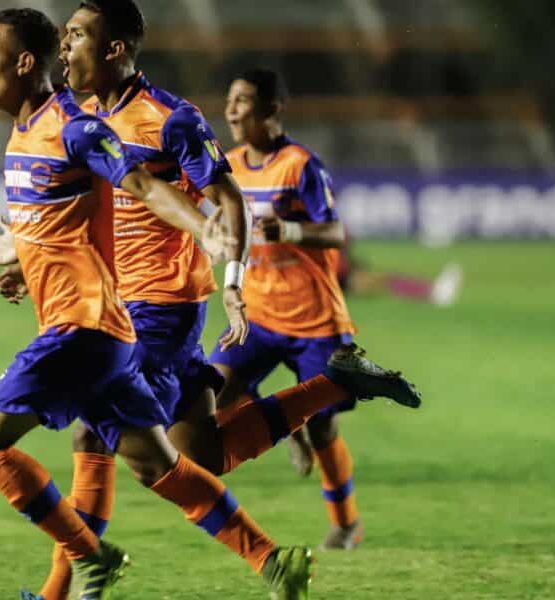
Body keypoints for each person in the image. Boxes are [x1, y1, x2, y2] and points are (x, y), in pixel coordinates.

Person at [0, 6, 422, 599]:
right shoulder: (76, 122)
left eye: (77, 36)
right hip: (116, 300)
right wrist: (31, 260)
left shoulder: (163, 118)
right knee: (198, 452)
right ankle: (331, 395)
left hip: (159, 303)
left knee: (93, 439)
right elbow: (80, 216)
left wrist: (229, 270)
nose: (67, 48)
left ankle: (70, 587)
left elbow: (211, 198)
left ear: (112, 49)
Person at [211, 66, 378, 549]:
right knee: (213, 394)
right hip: (259, 316)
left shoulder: (301, 165)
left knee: (325, 422)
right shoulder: (229, 165)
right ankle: (288, 430)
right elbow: (221, 221)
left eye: (242, 100)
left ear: (272, 108)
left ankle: (346, 523)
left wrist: (290, 231)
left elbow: (335, 232)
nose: (231, 109)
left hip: (314, 321)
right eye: (229, 100)